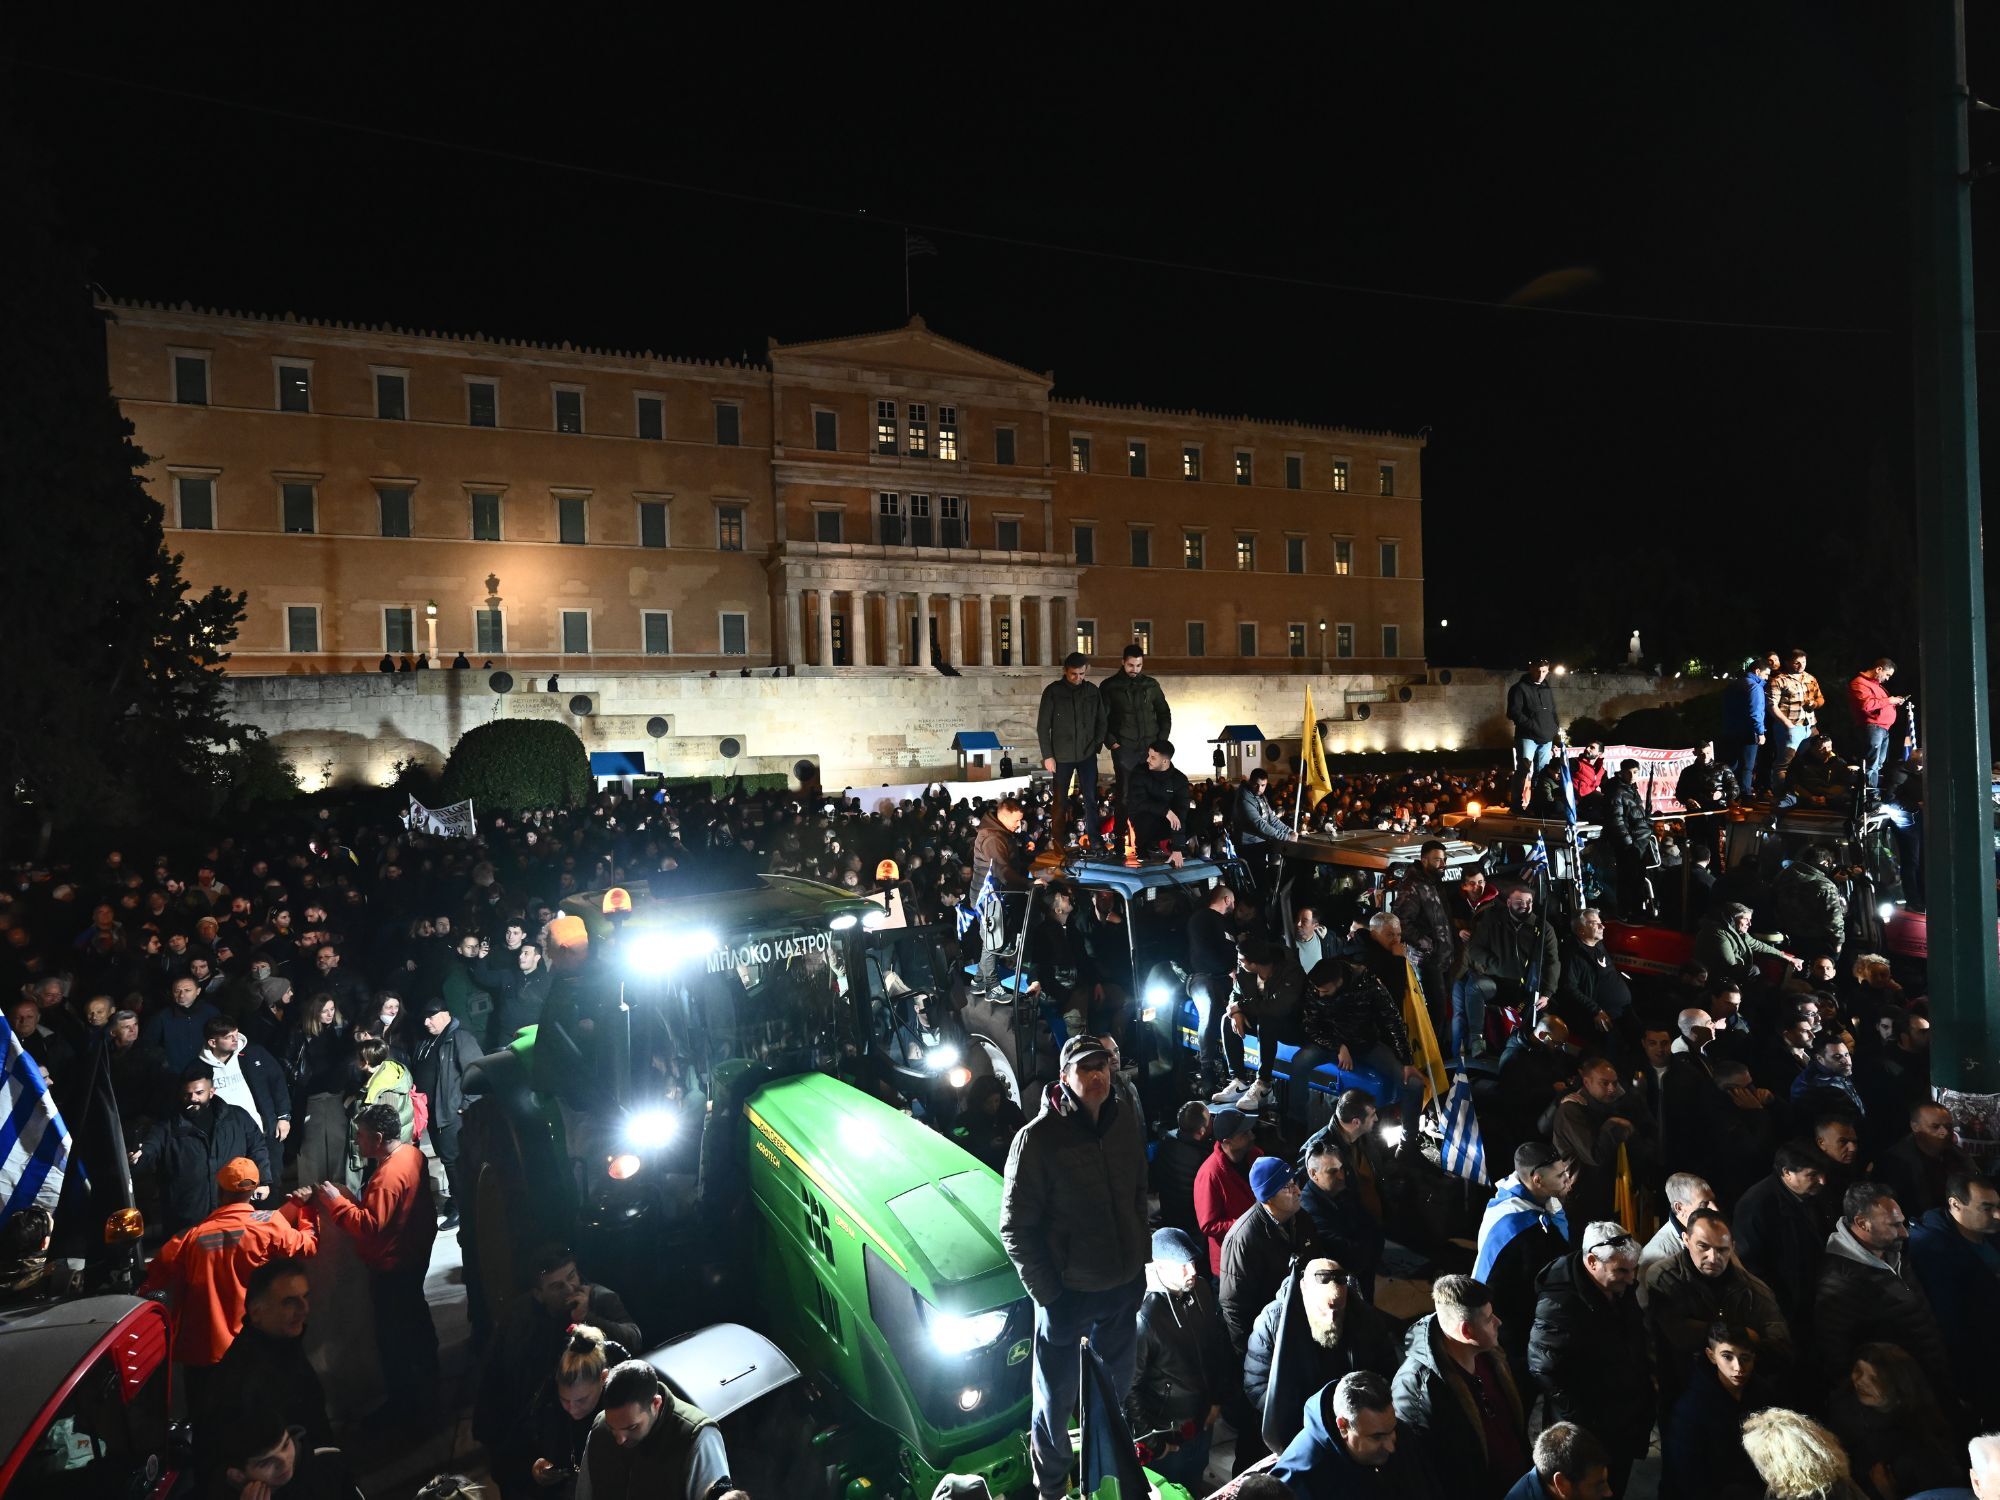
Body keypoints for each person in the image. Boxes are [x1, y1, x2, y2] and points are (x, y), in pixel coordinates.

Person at [999, 1034, 1149, 1500]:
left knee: (1113, 1394)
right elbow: (1015, 1229)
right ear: (1064, 1078)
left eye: (1102, 1065)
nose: (1097, 1074)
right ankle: (1051, 1489)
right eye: (1085, 1068)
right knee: (1054, 1401)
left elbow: (1138, 1192)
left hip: (1121, 1288)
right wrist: (1051, 1296)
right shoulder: (1036, 1140)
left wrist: (1139, 1262)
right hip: (1069, 1296)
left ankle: (1104, 1475)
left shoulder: (1125, 1120)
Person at [139, 1157, 317, 1407]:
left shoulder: (190, 1238)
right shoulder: (268, 1224)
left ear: (220, 1192)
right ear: (253, 1191)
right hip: (254, 1347)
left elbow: (152, 1282)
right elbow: (308, 1246)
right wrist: (306, 1211)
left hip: (203, 1352)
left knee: (206, 1420)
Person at [478, 1243, 645, 1500]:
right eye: (556, 1286)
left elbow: (633, 1339)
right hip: (540, 1426)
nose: (570, 1289)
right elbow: (496, 1377)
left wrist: (587, 1317)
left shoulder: (600, 1299)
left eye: (572, 1276)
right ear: (539, 1294)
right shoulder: (519, 1317)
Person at [313, 1101, 438, 1418]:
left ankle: (404, 1406)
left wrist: (336, 1202)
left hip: (392, 1266)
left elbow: (368, 1226)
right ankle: (429, 1382)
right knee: (417, 1323)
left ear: (379, 1138)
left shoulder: (387, 1178)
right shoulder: (412, 1155)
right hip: (413, 1255)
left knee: (394, 1338)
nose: (357, 1141)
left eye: (361, 1135)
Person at [1528, 1222, 1653, 1498]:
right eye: (1622, 1271)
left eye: (1633, 1269)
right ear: (1593, 1262)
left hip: (1623, 1420)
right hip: (1591, 1429)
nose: (1631, 1279)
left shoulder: (1619, 1288)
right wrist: (1582, 1424)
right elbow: (1544, 1368)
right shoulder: (1558, 1303)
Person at [1248, 1256, 1403, 1457]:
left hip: (1352, 1429)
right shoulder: (1273, 1322)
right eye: (1324, 1310)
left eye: (1338, 1310)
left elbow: (1387, 1370)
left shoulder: (1366, 1319)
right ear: (1304, 1291)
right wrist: (1297, 1421)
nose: (1331, 1318)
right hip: (1299, 1431)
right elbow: (1256, 1383)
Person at [1392, 1274, 1529, 1500]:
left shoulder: (1491, 1353)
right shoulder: (1418, 1390)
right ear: (1467, 1332)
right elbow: (1426, 1473)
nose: (1498, 1322)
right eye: (1488, 1319)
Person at [1815, 1180, 1954, 1402]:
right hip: (1899, 1399)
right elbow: (1837, 1359)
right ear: (1862, 1223)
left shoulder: (1893, 1254)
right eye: (1893, 1225)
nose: (1904, 1233)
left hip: (1927, 1385)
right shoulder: (1841, 1282)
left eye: (1902, 1223)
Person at [1644, 1208, 1793, 1404]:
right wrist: (1745, 1335)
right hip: (1681, 1390)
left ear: (1732, 1246)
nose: (1713, 1257)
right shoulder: (1664, 1277)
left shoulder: (1754, 1290)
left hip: (1741, 1395)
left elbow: (1781, 1346)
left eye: (1722, 1249)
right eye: (1703, 1246)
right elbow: (1679, 1335)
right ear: (1686, 1240)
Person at [1126, 1229, 1233, 1492]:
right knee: (1173, 1490)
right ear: (1160, 1267)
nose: (1192, 1271)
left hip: (1203, 1421)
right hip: (1168, 1437)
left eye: (1193, 1262)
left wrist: (1216, 1400)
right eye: (1182, 1266)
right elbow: (1128, 1388)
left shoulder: (1201, 1289)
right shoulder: (1143, 1315)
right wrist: (1154, 1444)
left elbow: (1215, 1346)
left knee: (1194, 1482)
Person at [207, 1257, 335, 1466]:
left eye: (305, 1297)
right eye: (289, 1302)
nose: (304, 1309)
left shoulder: (284, 1343)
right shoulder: (246, 1376)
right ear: (257, 1313)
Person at [1474, 1143, 1575, 1380]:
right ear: (1537, 1180)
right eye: (1560, 1175)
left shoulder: (1543, 1200)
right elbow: (1493, 1289)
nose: (1567, 1178)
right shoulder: (1511, 1225)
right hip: (1514, 1328)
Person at [132, 1065, 273, 1235]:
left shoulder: (237, 1117)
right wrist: (137, 1158)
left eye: (199, 1093)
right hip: (187, 1219)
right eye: (187, 1094)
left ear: (211, 1092)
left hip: (231, 1214)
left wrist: (263, 1181)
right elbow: (149, 1150)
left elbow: (257, 1147)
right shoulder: (167, 1127)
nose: (193, 1098)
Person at [1907, 1171, 2000, 1419]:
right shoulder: (1934, 1252)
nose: (1997, 1214)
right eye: (1987, 1208)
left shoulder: (1990, 1235)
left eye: (1998, 1206)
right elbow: (1951, 1325)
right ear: (1955, 1204)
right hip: (1981, 1369)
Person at [1272, 1369, 1440, 1500]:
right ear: (1343, 1426)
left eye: (1392, 1430)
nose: (1391, 1447)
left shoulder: (1399, 1433)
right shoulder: (1297, 1481)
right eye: (1377, 1437)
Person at [575, 1359, 731, 1500]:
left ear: (656, 1404)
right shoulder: (600, 1428)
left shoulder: (697, 1438)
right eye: (612, 1428)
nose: (620, 1439)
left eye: (632, 1427)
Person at [1826, 1343, 1962, 1500]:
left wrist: (1889, 1494)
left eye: (1874, 1378)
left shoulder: (1922, 1440)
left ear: (1898, 1386)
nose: (1861, 1381)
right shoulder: (1843, 1407)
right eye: (1858, 1370)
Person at [1220, 1157, 1320, 1356]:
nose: (1298, 1191)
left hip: (1302, 1326)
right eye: (1287, 1187)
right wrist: (1251, 1357)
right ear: (1267, 1198)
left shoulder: (1302, 1219)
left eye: (1295, 1183)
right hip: (1268, 1339)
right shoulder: (1243, 1239)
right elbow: (1234, 1308)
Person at [1660, 1321, 1768, 1500]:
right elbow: (1687, 1477)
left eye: (1745, 1358)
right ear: (1711, 1356)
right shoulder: (1691, 1408)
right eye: (1727, 1357)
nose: (1738, 1367)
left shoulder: (1764, 1395)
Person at [1735, 1143, 1829, 1340]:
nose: (1822, 1181)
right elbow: (1752, 1267)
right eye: (1812, 1175)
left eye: (1822, 1173)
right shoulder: (1755, 1206)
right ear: (1787, 1173)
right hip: (1785, 1310)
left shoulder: (1813, 1194)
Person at [530, 1324, 631, 1500]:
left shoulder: (625, 1412)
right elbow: (534, 1443)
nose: (572, 1409)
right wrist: (538, 1464)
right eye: (564, 1399)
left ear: (604, 1378)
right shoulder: (548, 1405)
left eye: (581, 1400)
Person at [1463, 885, 1560, 1061]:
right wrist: (1495, 965)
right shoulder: (1492, 922)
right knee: (1474, 987)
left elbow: (1552, 962)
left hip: (1528, 989)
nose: (1525, 905)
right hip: (1498, 983)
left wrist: (1547, 993)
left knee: (1545, 1019)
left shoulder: (1544, 928)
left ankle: (1540, 1058)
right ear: (1508, 902)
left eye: (1529, 901)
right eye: (1519, 901)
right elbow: (1475, 948)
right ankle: (1477, 1040)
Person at [1213, 937, 1309, 1114]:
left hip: (1293, 1025)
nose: (1239, 963)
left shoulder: (1290, 970)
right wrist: (1236, 1012)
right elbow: (1235, 993)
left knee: (1267, 1018)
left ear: (1254, 963)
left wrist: (1241, 1006)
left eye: (1242, 960)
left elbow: (1281, 1007)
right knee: (1227, 1019)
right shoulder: (1245, 971)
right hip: (1263, 1021)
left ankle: (1264, 1085)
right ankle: (1239, 1082)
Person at [1550, 1055, 1644, 1230]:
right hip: (1583, 1197)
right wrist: (1612, 1125)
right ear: (1587, 1082)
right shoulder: (1572, 1110)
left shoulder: (1610, 1104)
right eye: (1604, 1083)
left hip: (1609, 1191)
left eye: (1614, 1083)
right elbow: (1594, 1155)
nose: (1612, 1089)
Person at [411, 997, 482, 1225]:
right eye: (424, 1018)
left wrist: (464, 1107)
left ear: (445, 1014)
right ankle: (457, 1199)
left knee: (454, 1161)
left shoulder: (460, 1037)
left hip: (452, 1113)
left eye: (430, 1017)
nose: (426, 1022)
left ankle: (463, 1208)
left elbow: (477, 1073)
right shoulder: (427, 1041)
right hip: (433, 1113)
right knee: (447, 1159)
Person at [1297, 1132, 1385, 1297]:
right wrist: (1367, 1246)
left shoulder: (1341, 1190)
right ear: (1313, 1174)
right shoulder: (1308, 1210)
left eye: (1341, 1169)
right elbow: (1344, 1254)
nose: (1341, 1176)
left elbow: (1371, 1224)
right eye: (1332, 1172)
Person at [215, 1404, 364, 1500]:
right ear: (238, 1475)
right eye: (266, 1462)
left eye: (285, 1445)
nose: (284, 1461)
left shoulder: (326, 1462)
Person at [1036, 652, 1107, 846]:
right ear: (1065, 671)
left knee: (1091, 798)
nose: (1078, 678)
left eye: (1081, 674)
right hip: (1061, 756)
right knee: (1060, 801)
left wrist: (1096, 745)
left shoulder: (1092, 691)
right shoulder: (1053, 691)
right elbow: (1043, 726)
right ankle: (1058, 840)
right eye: (1073, 674)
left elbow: (1102, 721)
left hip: (1087, 754)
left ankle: (1095, 840)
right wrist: (1048, 755)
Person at [199, 1014, 292, 1162]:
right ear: (213, 1042)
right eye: (229, 1037)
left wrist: (283, 1117)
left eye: (236, 1034)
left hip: (263, 1133)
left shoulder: (254, 1053)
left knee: (271, 1175)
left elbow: (277, 1082)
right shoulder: (200, 1068)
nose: (235, 1039)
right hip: (228, 1140)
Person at [1395, 840, 1461, 1035]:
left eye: (1444, 860)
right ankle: (1432, 1049)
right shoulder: (1412, 885)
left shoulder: (1435, 882)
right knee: (1436, 1012)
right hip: (1427, 961)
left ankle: (1442, 1046)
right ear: (1424, 860)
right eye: (1437, 860)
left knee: (1446, 1010)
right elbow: (1401, 922)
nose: (1443, 864)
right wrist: (1428, 945)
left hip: (1445, 958)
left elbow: (1442, 918)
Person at [1101, 643, 1171, 821]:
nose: (1135, 669)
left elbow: (1164, 713)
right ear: (1123, 662)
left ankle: (1151, 833)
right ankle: (1120, 833)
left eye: (1139, 665)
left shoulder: (1151, 685)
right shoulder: (1110, 686)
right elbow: (1101, 719)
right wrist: (1113, 743)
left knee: (1154, 792)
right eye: (1131, 665)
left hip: (1151, 749)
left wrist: (1161, 742)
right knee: (1125, 795)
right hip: (1125, 749)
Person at [1874, 1102, 1973, 1221]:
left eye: (1948, 1126)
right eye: (1935, 1127)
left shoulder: (1958, 1155)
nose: (1944, 1132)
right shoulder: (1894, 1163)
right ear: (1915, 1127)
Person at [970, 798, 1029, 997]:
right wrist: (1028, 884)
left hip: (994, 897)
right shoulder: (993, 838)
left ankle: (978, 980)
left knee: (992, 940)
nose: (1018, 825)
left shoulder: (999, 833)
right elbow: (1003, 871)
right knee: (992, 942)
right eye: (1016, 820)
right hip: (988, 899)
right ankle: (991, 987)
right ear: (1004, 816)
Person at [1192, 1105, 1260, 1275]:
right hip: (1232, 1263)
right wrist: (1249, 1224)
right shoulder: (1210, 1174)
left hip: (1258, 1253)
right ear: (1227, 1142)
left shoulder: (1256, 1156)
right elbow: (1208, 1225)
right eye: (1244, 1134)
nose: (1252, 1136)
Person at [1188, 883, 1240, 1092]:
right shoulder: (1201, 919)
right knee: (1208, 1009)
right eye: (1233, 902)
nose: (1234, 906)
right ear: (1227, 900)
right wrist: (1228, 969)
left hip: (1224, 978)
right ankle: (1207, 1068)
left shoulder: (1227, 924)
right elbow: (1203, 953)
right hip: (1202, 977)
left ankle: (1236, 1071)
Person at [1600, 760, 1660, 918]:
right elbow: (1616, 820)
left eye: (1635, 772)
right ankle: (1628, 913)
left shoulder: (1631, 789)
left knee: (1638, 880)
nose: (1633, 775)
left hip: (1640, 842)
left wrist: (1648, 823)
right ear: (1622, 772)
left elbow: (1637, 814)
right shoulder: (1617, 791)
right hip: (1629, 845)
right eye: (1629, 772)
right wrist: (1628, 843)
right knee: (1628, 881)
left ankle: (1637, 912)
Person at [1767, 648, 1826, 794]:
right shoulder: (1779, 680)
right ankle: (1781, 794)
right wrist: (1787, 724)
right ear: (1787, 663)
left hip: (1810, 727)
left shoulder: (1810, 678)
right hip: (1790, 727)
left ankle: (1803, 793)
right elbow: (1771, 705)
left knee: (1809, 761)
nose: (1801, 666)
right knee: (1784, 763)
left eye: (1804, 662)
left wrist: (1815, 704)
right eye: (1797, 663)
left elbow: (1820, 698)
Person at [1149, 1101, 1211, 1238]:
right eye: (1210, 1120)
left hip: (1168, 1213)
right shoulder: (1204, 1157)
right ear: (1201, 1131)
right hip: (1192, 1225)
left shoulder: (1166, 1141)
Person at [1124, 739, 1193, 857]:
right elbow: (1139, 802)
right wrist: (1166, 811)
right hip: (1145, 821)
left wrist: (1178, 848)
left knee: (1200, 816)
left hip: (1167, 821)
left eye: (1153, 757)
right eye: (1148, 755)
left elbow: (1181, 812)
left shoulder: (1179, 779)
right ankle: (1144, 846)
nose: (1148, 760)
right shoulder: (1139, 772)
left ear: (1165, 761)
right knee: (1145, 817)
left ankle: (1172, 844)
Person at [141, 974, 220, 1074]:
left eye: (187, 990)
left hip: (208, 1071)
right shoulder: (161, 1017)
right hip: (174, 1074)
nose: (181, 995)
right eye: (177, 991)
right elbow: (148, 1044)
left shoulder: (211, 1012)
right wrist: (166, 1063)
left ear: (198, 991)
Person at [1848, 659, 1905, 794]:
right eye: (1887, 674)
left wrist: (1893, 702)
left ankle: (1872, 794)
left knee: (1878, 763)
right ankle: (1869, 795)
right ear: (1879, 669)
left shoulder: (1876, 686)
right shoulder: (1859, 682)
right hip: (1872, 727)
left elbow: (1880, 703)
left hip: (1883, 728)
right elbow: (1866, 705)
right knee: (1871, 763)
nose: (1887, 678)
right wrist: (1889, 700)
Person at [1507, 661, 1560, 802]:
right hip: (1527, 737)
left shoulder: (1547, 689)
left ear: (1548, 671)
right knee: (1523, 770)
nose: (1540, 675)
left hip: (1546, 738)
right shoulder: (1519, 688)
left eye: (1544, 671)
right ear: (1531, 669)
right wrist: (1532, 726)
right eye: (1538, 671)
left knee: (1542, 772)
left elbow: (1553, 711)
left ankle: (1538, 803)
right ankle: (1516, 805)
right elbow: (1513, 713)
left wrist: (1554, 729)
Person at [1722, 658, 1773, 796]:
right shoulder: (1754, 687)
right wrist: (1760, 732)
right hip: (1748, 732)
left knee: (1732, 764)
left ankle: (1731, 795)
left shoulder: (1733, 685)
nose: (1767, 678)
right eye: (1766, 674)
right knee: (1747, 766)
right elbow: (1755, 712)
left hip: (1730, 730)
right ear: (1757, 671)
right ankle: (1746, 795)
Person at [1793, 1033, 1864, 1120]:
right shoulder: (1817, 1087)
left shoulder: (1836, 1070)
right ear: (1820, 1059)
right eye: (1837, 1057)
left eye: (1846, 1054)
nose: (1846, 1061)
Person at [1675, 742, 1741, 812]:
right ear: (1695, 753)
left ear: (1711, 751)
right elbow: (1680, 793)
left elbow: (1735, 789)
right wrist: (1688, 800)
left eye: (1708, 753)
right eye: (1701, 754)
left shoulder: (1722, 768)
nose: (1705, 756)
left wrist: (1721, 794)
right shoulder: (1687, 772)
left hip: (1718, 810)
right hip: (1696, 812)